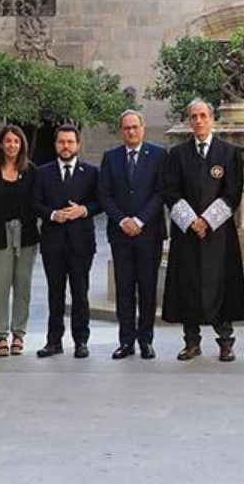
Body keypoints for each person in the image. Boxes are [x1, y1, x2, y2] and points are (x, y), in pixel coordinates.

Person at [161, 100, 244, 362]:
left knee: (220, 284)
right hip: (187, 233)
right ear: (189, 121)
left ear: (212, 119)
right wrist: (191, 221)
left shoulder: (228, 153)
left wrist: (208, 221)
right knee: (187, 285)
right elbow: (170, 191)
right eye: (193, 117)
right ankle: (191, 342)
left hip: (218, 234)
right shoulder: (177, 155)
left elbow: (233, 192)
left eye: (203, 116)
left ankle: (225, 342)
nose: (198, 121)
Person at [98, 110, 166, 360]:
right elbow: (104, 194)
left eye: (135, 127)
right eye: (126, 128)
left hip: (149, 233)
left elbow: (161, 192)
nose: (131, 131)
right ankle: (126, 341)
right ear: (121, 130)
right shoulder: (111, 158)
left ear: (143, 128)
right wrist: (123, 220)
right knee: (124, 290)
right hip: (121, 235)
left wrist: (140, 219)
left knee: (147, 289)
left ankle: (146, 340)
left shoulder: (159, 155)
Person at [34, 124, 102, 359]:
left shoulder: (91, 172)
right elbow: (35, 203)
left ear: (78, 145)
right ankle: (53, 341)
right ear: (56, 145)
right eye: (61, 142)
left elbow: (101, 202)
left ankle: (81, 341)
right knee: (55, 293)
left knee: (80, 294)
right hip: (53, 243)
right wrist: (53, 214)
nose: (66, 146)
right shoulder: (42, 172)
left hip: (81, 243)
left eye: (70, 142)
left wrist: (83, 210)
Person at [0, 125, 39, 357]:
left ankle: (19, 334)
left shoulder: (31, 171)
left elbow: (36, 201)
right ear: (0, 145)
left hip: (26, 236)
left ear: (21, 144)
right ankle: (1, 335)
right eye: (8, 141)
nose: (12, 145)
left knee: (23, 285)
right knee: (0, 286)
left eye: (16, 141)